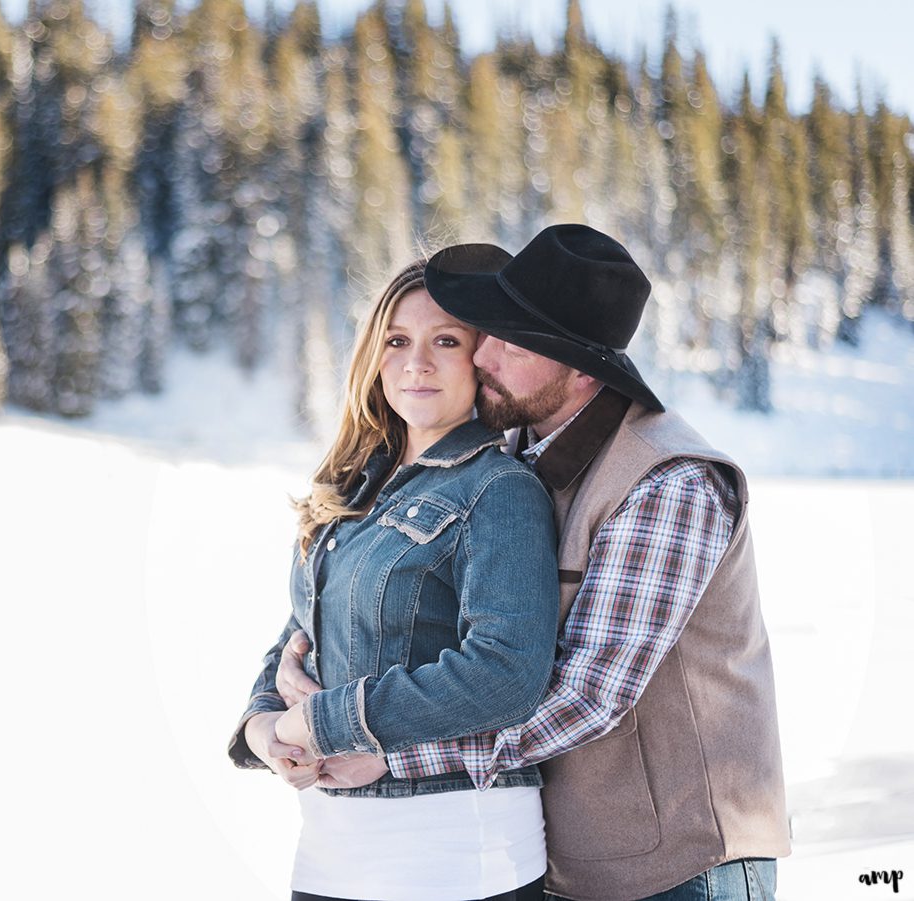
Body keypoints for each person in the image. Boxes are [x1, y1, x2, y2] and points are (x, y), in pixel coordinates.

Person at [273, 224, 791, 901]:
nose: (482, 353)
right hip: (573, 858)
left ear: (581, 370)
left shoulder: (667, 483)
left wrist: (387, 753)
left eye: (512, 343)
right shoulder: (519, 453)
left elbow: (588, 694)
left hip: (683, 867)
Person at [228, 249, 565, 901]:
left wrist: (327, 721)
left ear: (483, 358)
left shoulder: (499, 488)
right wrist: (263, 726)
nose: (417, 362)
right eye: (397, 340)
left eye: (446, 340)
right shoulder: (357, 486)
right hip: (333, 848)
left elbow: (509, 672)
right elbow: (305, 626)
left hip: (454, 853)